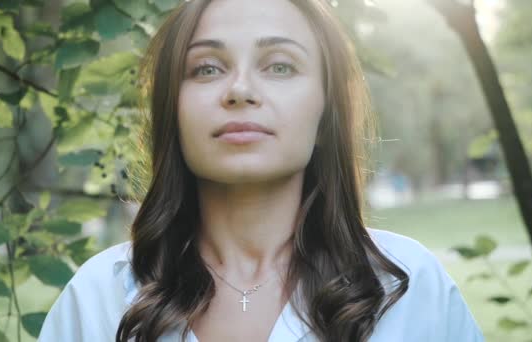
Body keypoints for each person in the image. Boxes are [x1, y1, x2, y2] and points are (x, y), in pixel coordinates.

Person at [38, 0, 485, 341]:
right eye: (207, 68)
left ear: (326, 112)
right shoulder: (98, 299)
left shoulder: (410, 290)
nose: (240, 90)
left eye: (280, 66)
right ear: (172, 110)